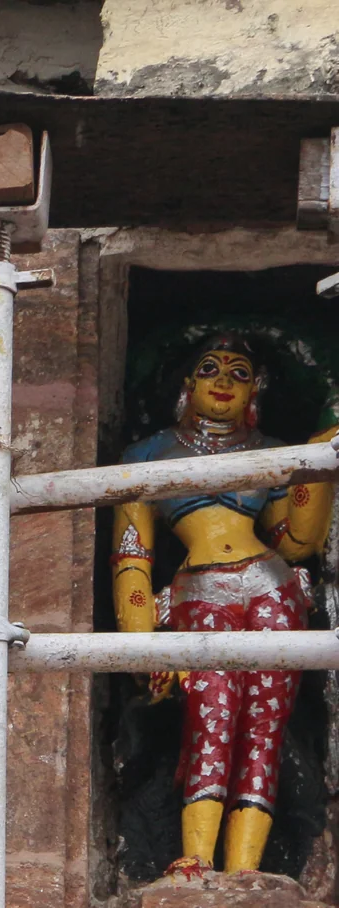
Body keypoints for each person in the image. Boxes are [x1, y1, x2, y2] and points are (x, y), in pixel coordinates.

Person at [111, 335, 333, 876]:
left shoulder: (269, 449)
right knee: (211, 716)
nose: (223, 382)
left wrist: (319, 458)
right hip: (200, 592)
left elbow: (296, 542)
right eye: (210, 368)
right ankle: (194, 857)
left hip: (272, 586)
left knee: (265, 725)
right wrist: (145, 648)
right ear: (187, 385)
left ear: (253, 390)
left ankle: (244, 870)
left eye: (239, 373)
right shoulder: (148, 454)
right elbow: (132, 558)